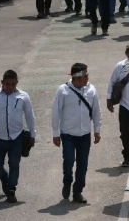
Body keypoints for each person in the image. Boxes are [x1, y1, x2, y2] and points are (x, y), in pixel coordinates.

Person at [0, 70, 36, 203]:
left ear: (17, 83)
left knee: (14, 164)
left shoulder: (23, 96)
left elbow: (29, 115)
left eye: (13, 84)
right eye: (7, 84)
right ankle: (5, 178)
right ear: (2, 83)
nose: (10, 87)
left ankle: (11, 190)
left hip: (16, 138)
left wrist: (33, 134)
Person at [52, 63, 102, 203]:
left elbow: (97, 111)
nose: (87, 77)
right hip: (68, 134)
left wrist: (97, 130)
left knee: (82, 165)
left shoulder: (91, 90)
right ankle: (67, 181)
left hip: (84, 134)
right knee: (68, 161)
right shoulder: (63, 91)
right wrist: (56, 133)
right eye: (85, 75)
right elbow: (56, 112)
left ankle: (77, 191)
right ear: (77, 77)